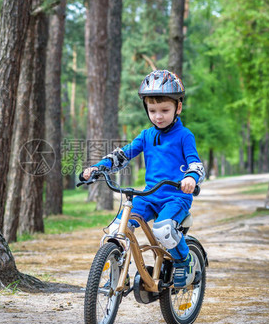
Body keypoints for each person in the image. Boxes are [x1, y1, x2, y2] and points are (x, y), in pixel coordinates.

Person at [81, 70, 205, 288]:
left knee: (163, 229)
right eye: (153, 110)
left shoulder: (185, 136)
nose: (158, 116)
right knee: (116, 229)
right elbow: (123, 155)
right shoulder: (146, 136)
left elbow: (196, 164)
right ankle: (119, 270)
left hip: (176, 196)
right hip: (150, 195)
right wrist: (98, 167)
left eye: (165, 110)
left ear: (178, 107)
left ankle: (184, 262)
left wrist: (192, 179)